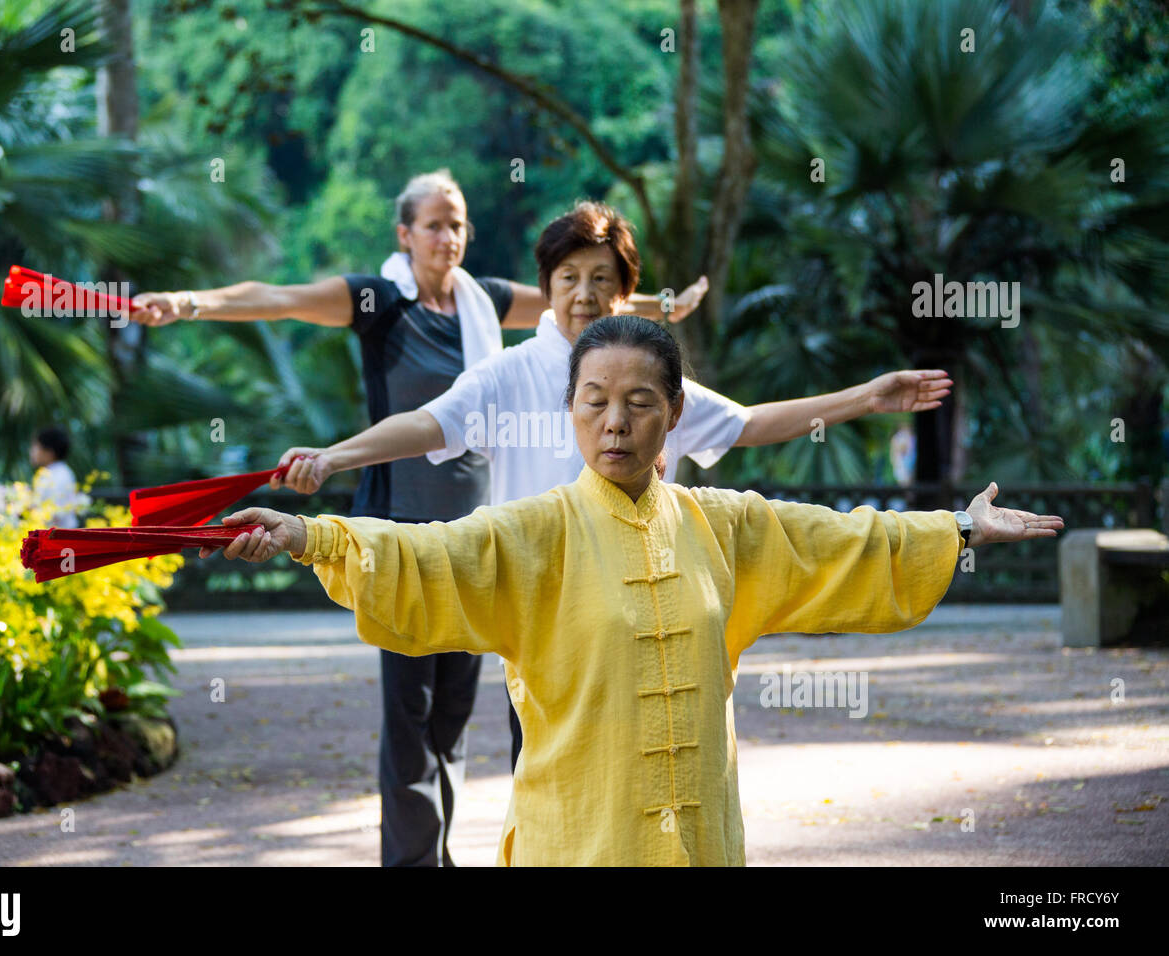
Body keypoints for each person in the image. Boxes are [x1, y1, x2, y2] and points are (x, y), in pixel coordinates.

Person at [201, 315, 1063, 866]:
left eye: (639, 402)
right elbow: (433, 556)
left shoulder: (724, 526)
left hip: (699, 842)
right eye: (594, 401)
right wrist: (308, 535)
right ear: (570, 410)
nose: (615, 422)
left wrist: (958, 529)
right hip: (579, 841)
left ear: (674, 414)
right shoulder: (532, 532)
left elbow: (842, 541)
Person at [130, 171, 708, 868]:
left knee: (453, 719)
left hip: (475, 535)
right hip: (398, 530)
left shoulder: (484, 301)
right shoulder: (379, 300)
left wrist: (665, 305)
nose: (449, 237)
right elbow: (277, 299)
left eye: (458, 224)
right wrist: (187, 303)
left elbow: (587, 298)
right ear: (404, 234)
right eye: (434, 224)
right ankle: (411, 864)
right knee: (409, 716)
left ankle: (441, 855)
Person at [266, 201, 955, 769]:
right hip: (545, 609)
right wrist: (333, 459)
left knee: (656, 763)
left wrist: (866, 397)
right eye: (568, 277)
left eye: (601, 278)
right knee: (548, 773)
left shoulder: (654, 377)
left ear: (625, 292)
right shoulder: (508, 374)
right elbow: (424, 424)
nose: (583, 294)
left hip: (646, 608)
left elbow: (748, 423)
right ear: (549, 286)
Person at [29, 426, 85, 528]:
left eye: (36, 446)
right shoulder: (54, 472)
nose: (32, 452)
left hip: (58, 537)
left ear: (49, 452)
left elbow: (54, 513)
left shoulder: (59, 475)